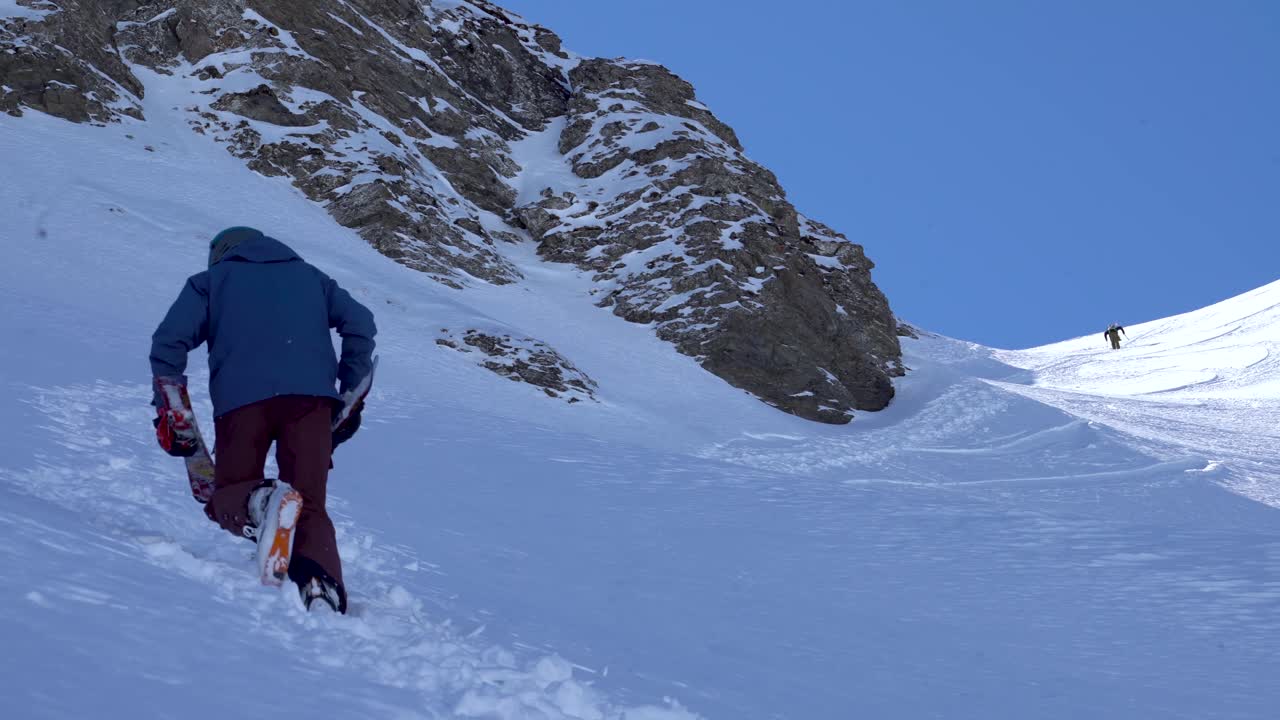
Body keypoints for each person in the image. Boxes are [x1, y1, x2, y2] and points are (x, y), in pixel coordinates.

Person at [150, 227, 376, 613]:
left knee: (227, 495)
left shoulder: (211, 282)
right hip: (312, 403)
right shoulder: (312, 279)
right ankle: (321, 589)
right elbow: (361, 323)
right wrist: (349, 390)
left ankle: (260, 500)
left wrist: (171, 406)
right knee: (311, 504)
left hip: (242, 404)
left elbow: (168, 343)